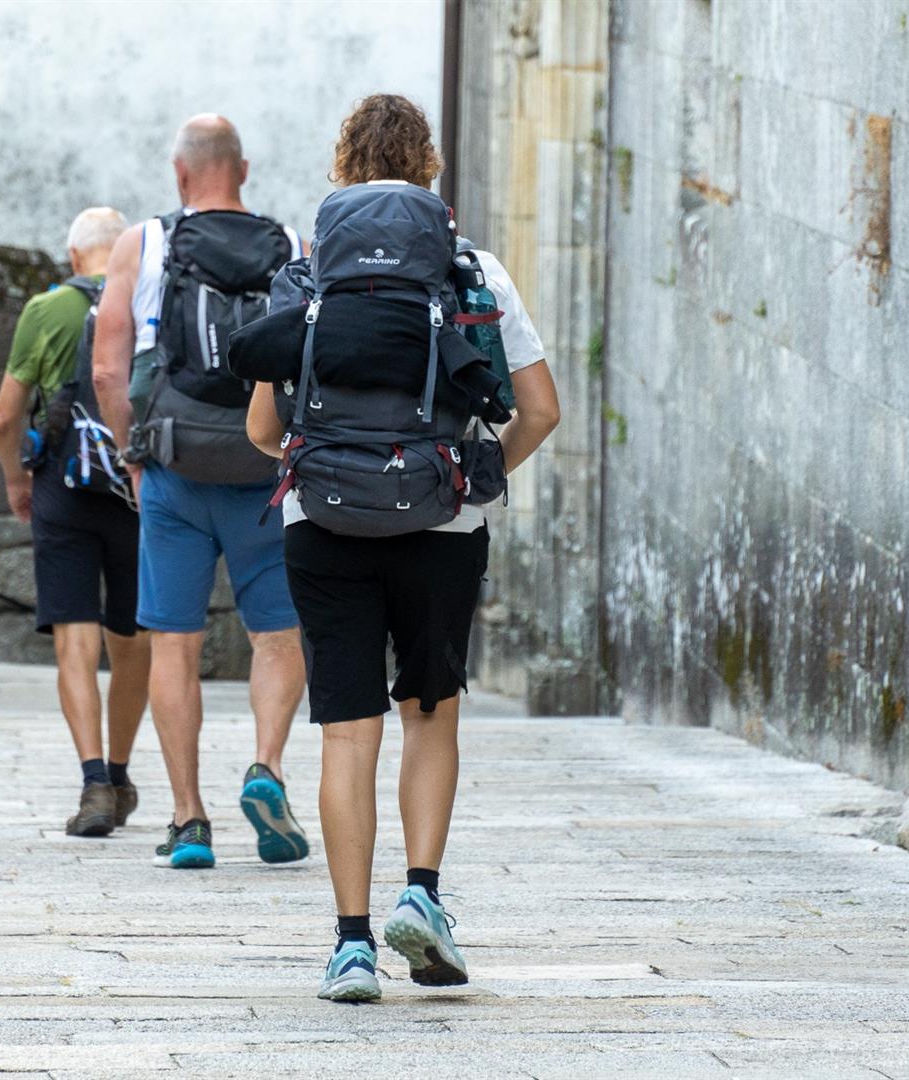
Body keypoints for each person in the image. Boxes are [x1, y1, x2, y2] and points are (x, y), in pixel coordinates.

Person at [242, 94, 561, 1001]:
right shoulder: (473, 273)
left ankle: (349, 945)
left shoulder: (306, 275)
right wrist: (474, 471)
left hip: (324, 524)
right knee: (431, 709)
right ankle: (421, 897)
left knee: (348, 730)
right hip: (441, 525)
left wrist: (320, 456)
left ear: (343, 168)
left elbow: (266, 428)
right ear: (430, 169)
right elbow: (540, 409)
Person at [91, 115, 311, 869]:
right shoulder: (291, 244)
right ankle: (268, 766)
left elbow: (107, 370)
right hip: (262, 470)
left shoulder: (142, 244)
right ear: (241, 170)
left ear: (181, 174)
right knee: (277, 635)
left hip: (176, 469)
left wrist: (134, 454)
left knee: (173, 643)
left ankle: (188, 821)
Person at [0, 206, 151, 837]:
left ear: (73, 254)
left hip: (64, 487)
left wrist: (15, 479)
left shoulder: (47, 310)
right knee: (132, 638)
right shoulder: (145, 300)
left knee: (74, 641)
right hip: (138, 487)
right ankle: (119, 770)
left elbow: (6, 415)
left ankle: (92, 786)